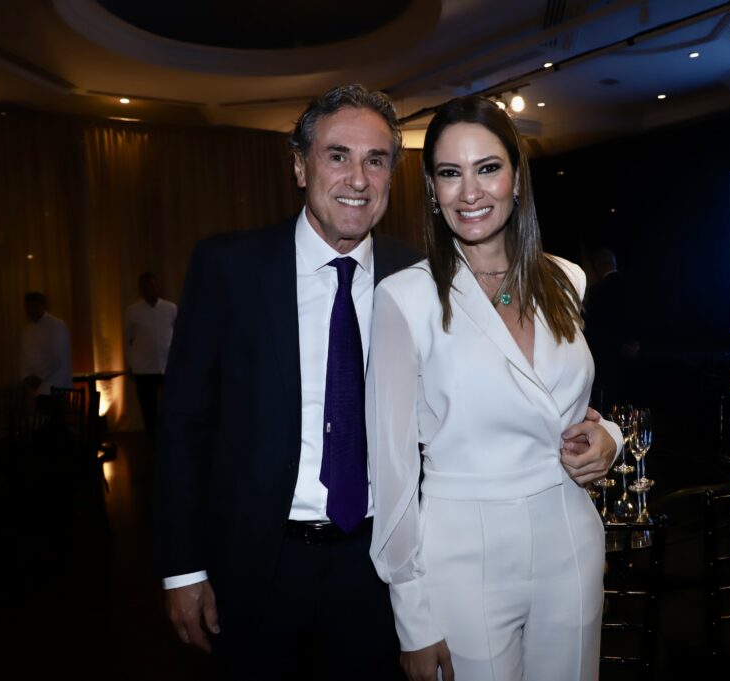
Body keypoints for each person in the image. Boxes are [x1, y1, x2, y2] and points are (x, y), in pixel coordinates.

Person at [156, 84, 613, 680]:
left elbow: (531, 395)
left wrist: (605, 435)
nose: (358, 178)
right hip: (259, 559)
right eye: (337, 156)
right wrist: (184, 568)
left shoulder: (414, 274)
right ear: (300, 166)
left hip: (375, 568)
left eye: (375, 160)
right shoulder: (230, 268)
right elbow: (184, 424)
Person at [367, 96, 622, 681]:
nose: (470, 192)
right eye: (450, 173)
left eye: (487, 168)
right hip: (463, 552)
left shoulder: (567, 279)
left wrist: (606, 436)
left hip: (570, 533)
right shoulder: (405, 299)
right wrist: (412, 615)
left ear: (516, 178)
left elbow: (571, 406)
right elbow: (393, 469)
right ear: (432, 190)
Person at [581, 248, 641, 409]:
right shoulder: (631, 285)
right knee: (629, 398)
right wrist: (634, 343)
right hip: (630, 354)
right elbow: (638, 317)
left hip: (607, 356)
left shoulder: (598, 290)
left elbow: (596, 327)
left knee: (608, 401)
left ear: (598, 266)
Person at [124, 273, 176, 435]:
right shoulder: (132, 311)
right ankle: (152, 440)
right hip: (143, 368)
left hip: (167, 365)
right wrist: (130, 364)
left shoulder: (171, 308)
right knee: (148, 409)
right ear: (140, 290)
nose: (148, 290)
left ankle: (170, 437)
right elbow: (127, 339)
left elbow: (178, 335)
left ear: (157, 287)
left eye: (151, 286)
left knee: (171, 405)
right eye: (144, 287)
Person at [20, 291, 72, 412]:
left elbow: (56, 357)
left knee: (53, 420)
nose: (31, 310)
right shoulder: (27, 330)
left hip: (55, 385)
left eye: (34, 306)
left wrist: (38, 377)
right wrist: (26, 376)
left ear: (43, 305)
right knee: (40, 420)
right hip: (36, 387)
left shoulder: (56, 325)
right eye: (28, 307)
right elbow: (24, 356)